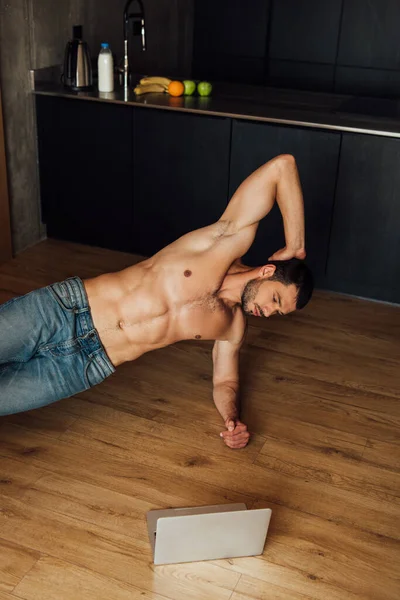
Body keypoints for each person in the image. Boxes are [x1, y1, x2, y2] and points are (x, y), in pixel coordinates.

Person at [0, 154, 313, 448]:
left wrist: (232, 418)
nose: (268, 312)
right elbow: (282, 167)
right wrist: (296, 247)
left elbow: (226, 381)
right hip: (63, 311)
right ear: (267, 271)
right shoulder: (222, 242)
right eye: (274, 299)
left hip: (83, 366)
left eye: (277, 312)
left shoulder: (232, 327)